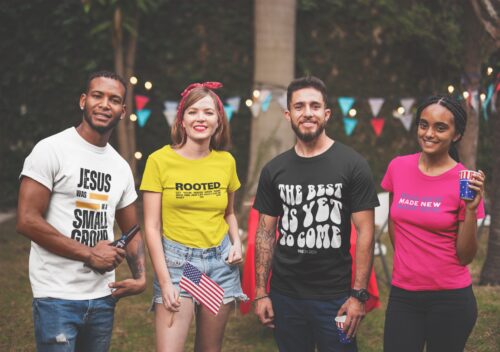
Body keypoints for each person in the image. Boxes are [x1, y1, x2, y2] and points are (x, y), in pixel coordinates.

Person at [16, 71, 147, 352]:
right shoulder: (51, 150)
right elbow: (27, 220)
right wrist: (89, 253)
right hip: (56, 296)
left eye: (114, 100)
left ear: (123, 111)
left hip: (102, 297)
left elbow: (132, 230)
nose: (104, 104)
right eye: (97, 96)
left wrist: (140, 276)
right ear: (83, 101)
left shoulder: (120, 166)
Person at [253, 76, 379, 352]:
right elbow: (265, 233)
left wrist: (358, 295)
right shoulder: (274, 170)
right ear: (288, 114)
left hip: (336, 297)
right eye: (299, 106)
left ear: (327, 113)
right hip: (286, 295)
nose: (307, 113)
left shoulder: (353, 165)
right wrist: (261, 292)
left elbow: (366, 232)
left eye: (314, 106)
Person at [140, 81, 247, 352]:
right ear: (182, 119)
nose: (201, 118)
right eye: (193, 111)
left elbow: (229, 213)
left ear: (218, 122)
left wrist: (236, 242)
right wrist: (164, 281)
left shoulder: (226, 162)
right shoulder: (159, 161)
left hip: (219, 266)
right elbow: (152, 227)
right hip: (178, 266)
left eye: (209, 113)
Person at [382, 95, 486, 352]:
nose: (429, 133)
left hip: (450, 298)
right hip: (404, 295)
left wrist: (471, 211)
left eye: (440, 127)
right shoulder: (398, 167)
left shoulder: (465, 180)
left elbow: (466, 256)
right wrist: (409, 263)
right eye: (423, 124)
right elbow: (395, 222)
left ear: (457, 135)